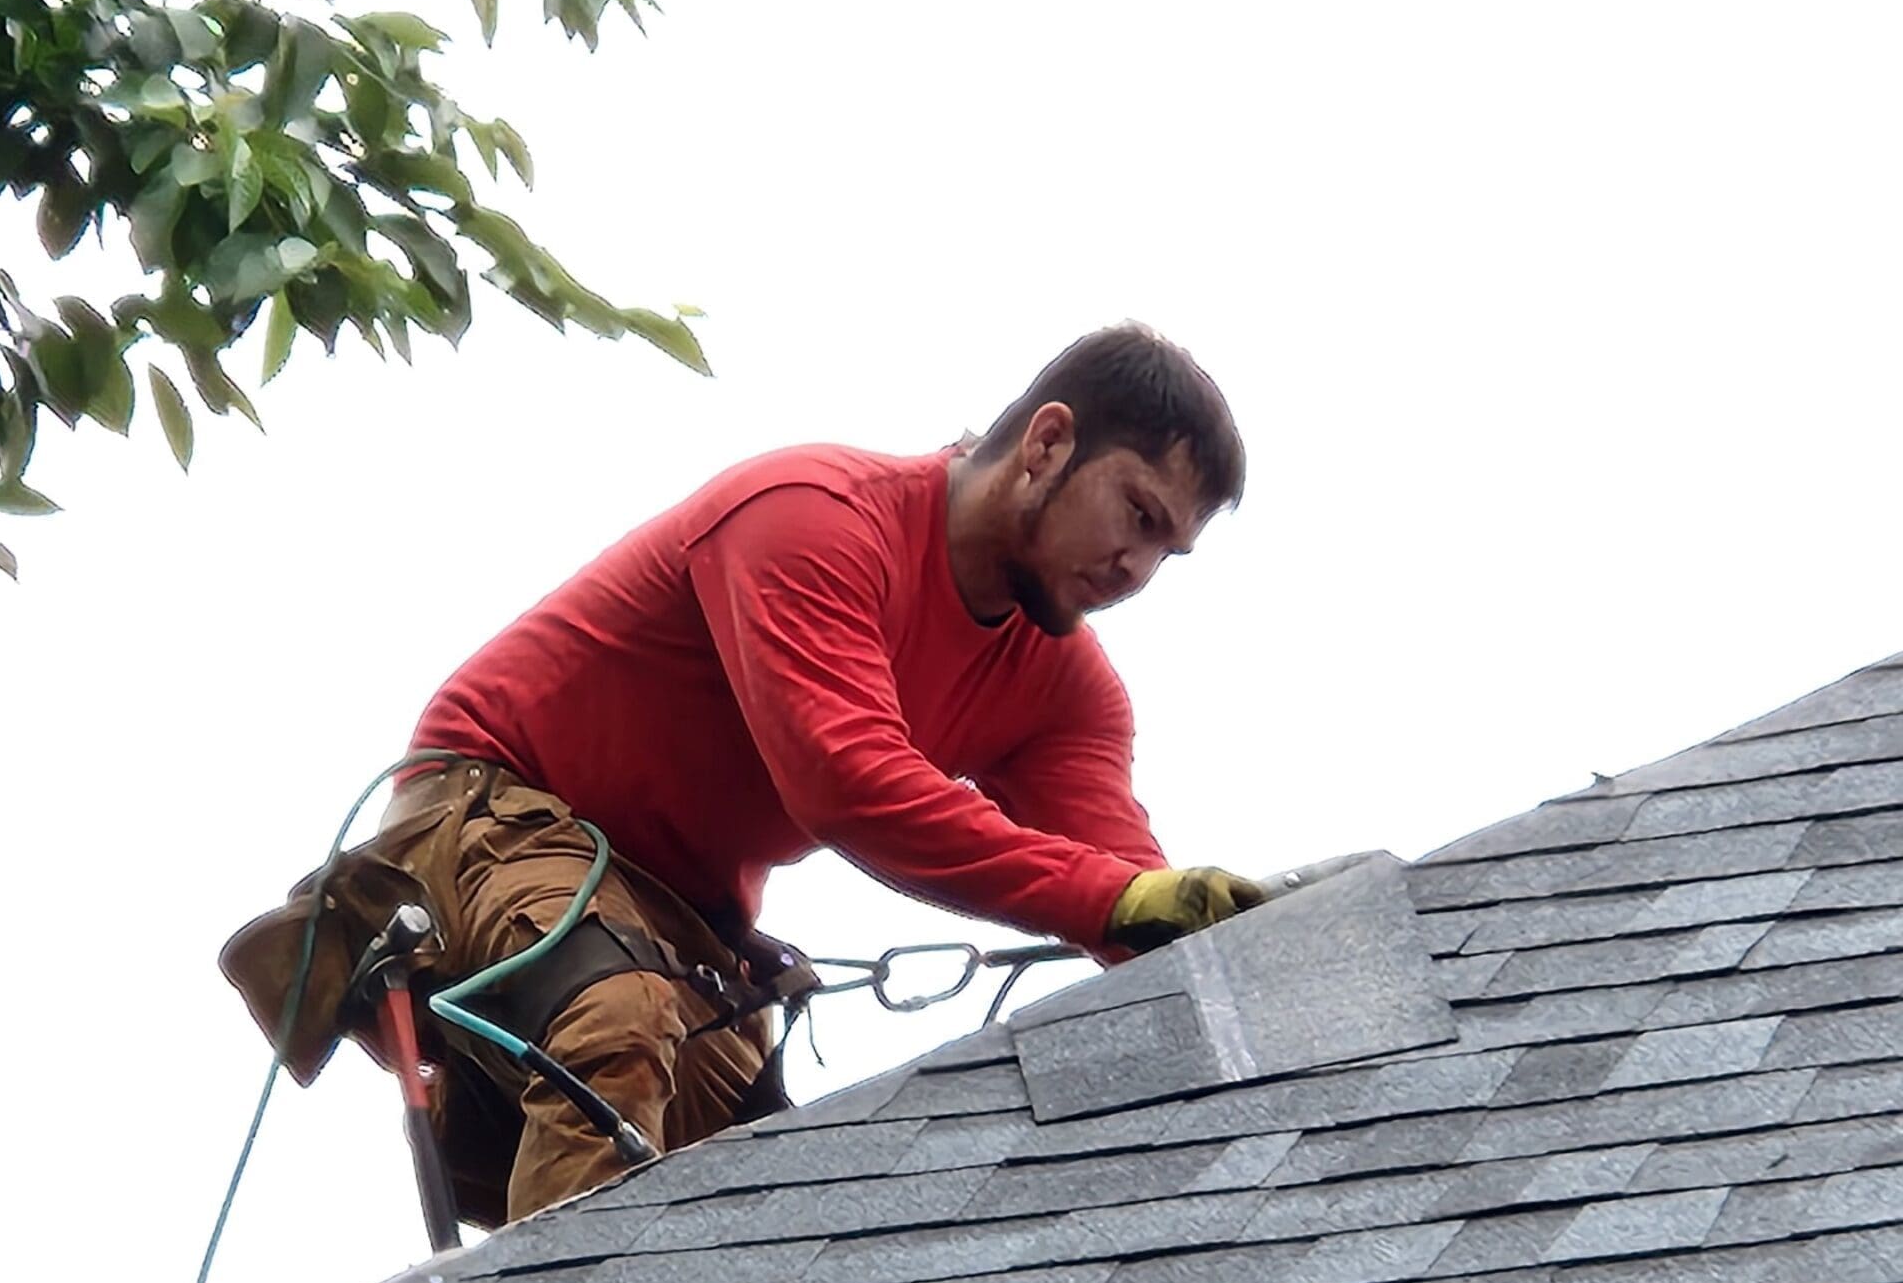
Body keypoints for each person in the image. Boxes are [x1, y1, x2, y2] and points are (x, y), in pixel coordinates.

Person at [223, 323, 1264, 1230]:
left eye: (1168, 552)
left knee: (755, 1207)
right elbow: (848, 781)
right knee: (614, 1023)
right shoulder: (811, 516)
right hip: (493, 801)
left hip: (682, 912)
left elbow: (1116, 888)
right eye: (1136, 514)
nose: (1137, 572)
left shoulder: (1067, 690)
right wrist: (1121, 901)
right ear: (1047, 443)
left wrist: (1219, 942)